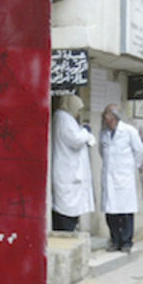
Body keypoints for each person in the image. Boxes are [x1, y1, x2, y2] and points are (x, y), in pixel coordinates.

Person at [99, 104, 143, 252]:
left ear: (114, 116)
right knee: (110, 212)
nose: (104, 117)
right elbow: (101, 151)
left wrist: (131, 167)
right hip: (109, 177)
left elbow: (139, 151)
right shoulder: (104, 133)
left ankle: (126, 241)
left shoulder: (129, 131)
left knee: (125, 212)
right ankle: (115, 240)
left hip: (124, 177)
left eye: (106, 114)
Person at [50, 95, 96, 232]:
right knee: (66, 212)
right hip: (67, 173)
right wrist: (86, 131)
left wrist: (85, 134)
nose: (79, 113)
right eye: (78, 109)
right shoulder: (63, 118)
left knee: (72, 210)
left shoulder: (67, 119)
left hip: (71, 173)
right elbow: (76, 139)